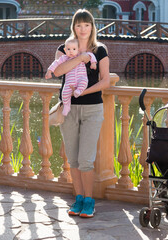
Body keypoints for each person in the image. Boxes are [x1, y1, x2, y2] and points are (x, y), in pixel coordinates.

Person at [52, 9, 110, 218]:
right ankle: (78, 199)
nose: (82, 29)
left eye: (86, 25)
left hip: (92, 108)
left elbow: (105, 81)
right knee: (73, 160)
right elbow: (57, 72)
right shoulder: (64, 48)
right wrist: (81, 57)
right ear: (73, 27)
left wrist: (83, 91)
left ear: (92, 27)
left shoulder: (100, 50)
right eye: (78, 25)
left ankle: (89, 201)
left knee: (85, 159)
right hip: (68, 109)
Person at [45, 37, 97, 116]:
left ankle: (79, 90)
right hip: (70, 82)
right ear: (65, 50)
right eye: (68, 49)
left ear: (78, 50)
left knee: (84, 82)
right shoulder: (64, 58)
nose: (71, 51)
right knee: (65, 93)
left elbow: (91, 55)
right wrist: (49, 71)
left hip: (81, 78)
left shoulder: (81, 55)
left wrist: (93, 63)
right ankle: (66, 106)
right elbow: (55, 63)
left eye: (73, 49)